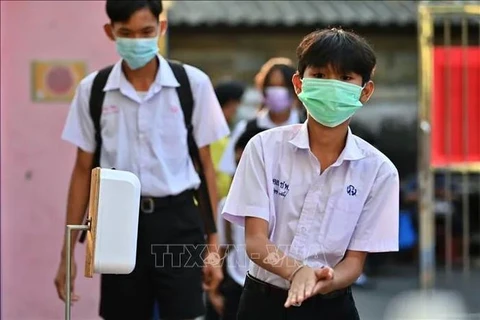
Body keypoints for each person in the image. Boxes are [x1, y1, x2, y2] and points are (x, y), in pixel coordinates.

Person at [53, 1, 228, 319]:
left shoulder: (192, 84)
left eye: (146, 31)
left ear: (161, 28)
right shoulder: (94, 90)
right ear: (111, 32)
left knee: (185, 314)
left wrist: (213, 247)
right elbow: (82, 171)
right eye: (126, 33)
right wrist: (68, 253)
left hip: (179, 221)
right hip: (115, 223)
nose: (137, 41)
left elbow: (205, 167)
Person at [222, 28, 400, 319]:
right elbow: (254, 241)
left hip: (332, 304)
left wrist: (317, 282)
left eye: (345, 79)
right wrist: (297, 272)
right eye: (319, 75)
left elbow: (354, 263)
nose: (331, 86)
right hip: (263, 303)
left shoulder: (379, 172)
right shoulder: (264, 148)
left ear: (365, 91)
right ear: (299, 83)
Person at [206, 127, 266, 320]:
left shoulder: (281, 204)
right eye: (240, 163)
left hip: (270, 287)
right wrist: (214, 292)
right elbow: (220, 249)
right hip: (235, 283)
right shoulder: (227, 204)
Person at [218, 58, 301, 178]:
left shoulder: (306, 126)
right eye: (272, 86)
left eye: (282, 86)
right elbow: (232, 174)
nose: (277, 91)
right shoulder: (246, 129)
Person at [211, 80, 246, 200]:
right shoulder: (214, 135)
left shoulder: (222, 132)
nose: (236, 110)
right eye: (236, 104)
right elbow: (212, 175)